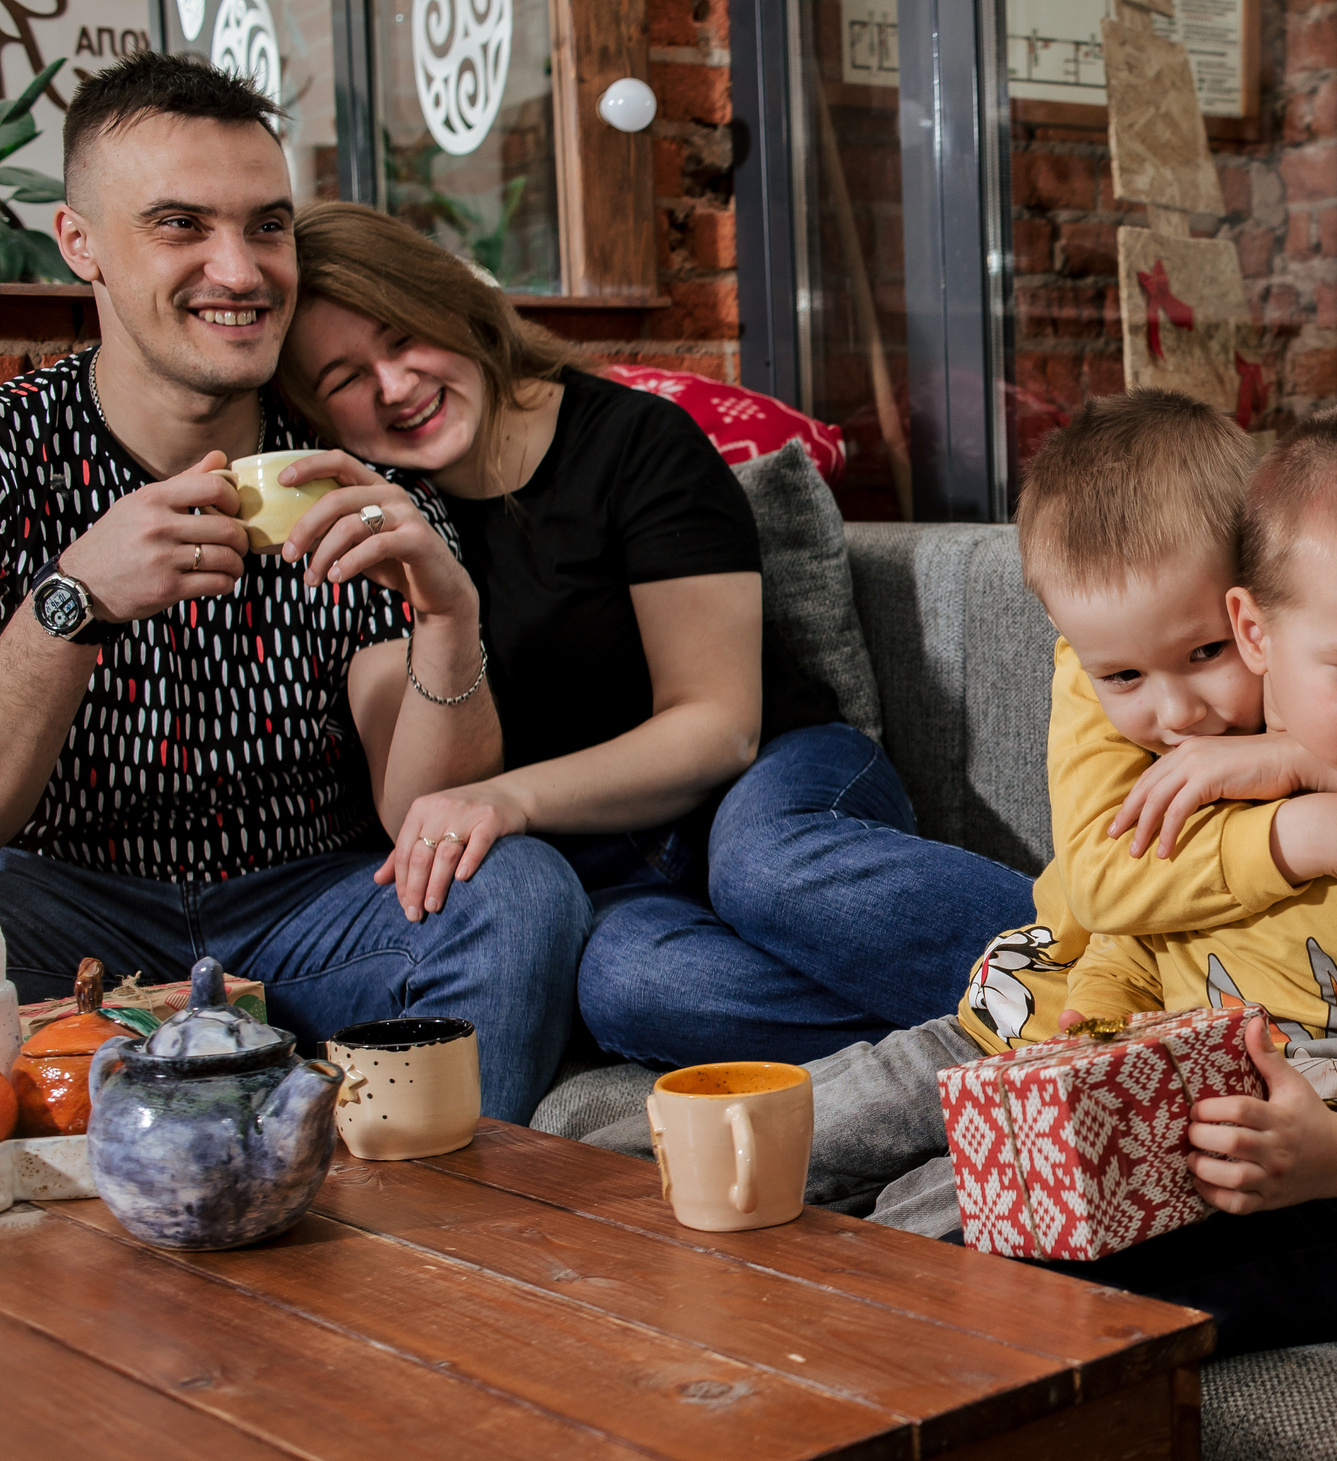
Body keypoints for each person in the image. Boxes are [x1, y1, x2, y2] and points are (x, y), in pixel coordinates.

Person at [596, 393, 1337, 1355]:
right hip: (1126, 1056)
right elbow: (1126, 913)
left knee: (930, 1231)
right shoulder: (1141, 721)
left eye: (1202, 654)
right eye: (1124, 676)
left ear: (1250, 624)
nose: (1178, 714)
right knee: (794, 1144)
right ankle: (575, 1233)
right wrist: (1103, 1020)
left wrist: (1308, 783)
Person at [277, 204, 1035, 1070]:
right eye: (344, 377)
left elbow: (717, 726)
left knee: (767, 870)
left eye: (403, 335)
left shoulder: (635, 443)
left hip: (774, 778)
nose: (394, 384)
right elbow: (420, 810)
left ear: (457, 306)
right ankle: (1018, 1032)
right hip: (615, 875)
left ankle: (1141, 962)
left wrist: (511, 798)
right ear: (314, 415)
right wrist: (440, 610)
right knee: (628, 987)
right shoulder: (371, 535)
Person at [0, 53, 586, 1122]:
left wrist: (447, 618)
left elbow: (416, 811)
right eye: (182, 225)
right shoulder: (11, 456)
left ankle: (443, 1239)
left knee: (519, 888)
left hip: (304, 911)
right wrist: (71, 597)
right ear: (77, 242)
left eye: (267, 226)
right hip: (66, 916)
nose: (241, 270)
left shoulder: (350, 474)